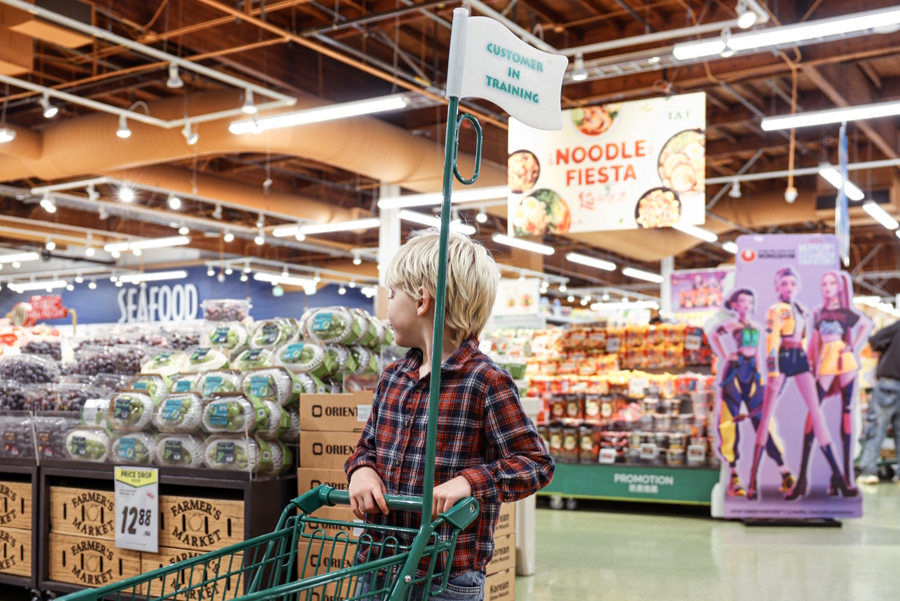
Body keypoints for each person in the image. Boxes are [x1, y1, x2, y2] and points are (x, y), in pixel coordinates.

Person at [345, 228, 554, 601]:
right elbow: (366, 449)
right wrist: (361, 471)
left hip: (444, 578)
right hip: (377, 564)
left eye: (392, 295)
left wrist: (471, 482)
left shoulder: (485, 381)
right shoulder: (393, 378)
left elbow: (535, 463)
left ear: (422, 300)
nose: (387, 307)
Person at [748, 267, 857, 499]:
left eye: (791, 283)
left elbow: (807, 339)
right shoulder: (776, 310)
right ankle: (751, 481)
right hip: (783, 358)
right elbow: (771, 339)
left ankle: (838, 474)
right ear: (778, 287)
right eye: (784, 283)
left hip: (800, 360)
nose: (788, 287)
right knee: (766, 416)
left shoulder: (803, 310)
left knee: (817, 414)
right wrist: (772, 368)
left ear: (797, 287)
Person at [789, 272, 872, 497]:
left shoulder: (845, 312)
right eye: (824, 283)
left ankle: (844, 476)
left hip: (843, 359)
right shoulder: (817, 312)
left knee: (846, 411)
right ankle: (804, 475)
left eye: (832, 283)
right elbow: (814, 341)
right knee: (814, 411)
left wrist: (852, 345)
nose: (827, 287)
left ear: (839, 287)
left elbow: (866, 324)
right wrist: (808, 363)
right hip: (826, 359)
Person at [708, 289, 794, 498]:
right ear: (735, 304)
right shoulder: (730, 325)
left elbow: (757, 352)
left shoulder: (756, 326)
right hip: (734, 372)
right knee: (729, 421)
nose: (746, 304)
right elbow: (712, 333)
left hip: (753, 374)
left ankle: (784, 472)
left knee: (764, 420)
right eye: (742, 300)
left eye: (749, 300)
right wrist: (725, 355)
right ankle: (734, 476)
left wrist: (760, 374)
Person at [857, 320, 900, 484]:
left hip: (889, 383)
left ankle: (868, 471)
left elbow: (875, 341)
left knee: (877, 427)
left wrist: (885, 349)